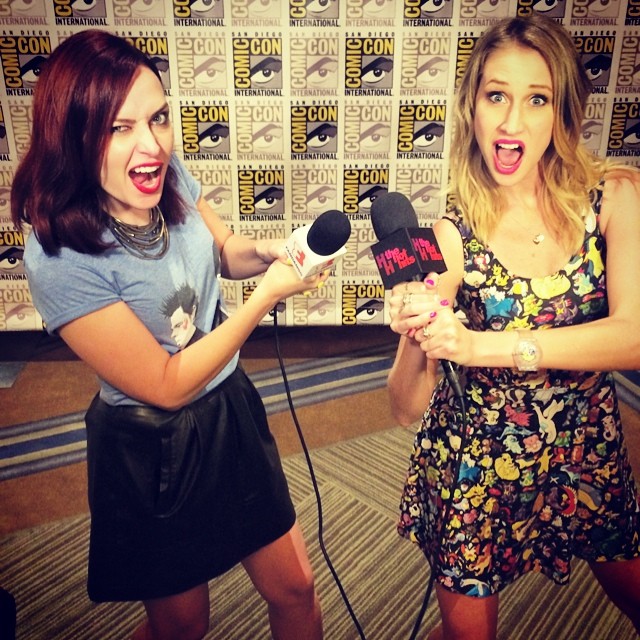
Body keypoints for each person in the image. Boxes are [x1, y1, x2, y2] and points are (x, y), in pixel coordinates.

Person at [10, 30, 325, 640]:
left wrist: (267, 252)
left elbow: (223, 251)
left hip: (229, 410)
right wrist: (265, 298)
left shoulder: (166, 172)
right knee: (183, 627)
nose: (151, 145)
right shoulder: (57, 256)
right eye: (119, 127)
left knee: (296, 589)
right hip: (150, 449)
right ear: (71, 135)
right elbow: (165, 385)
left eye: (158, 118)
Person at [386, 14, 640, 640]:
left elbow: (632, 337)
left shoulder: (611, 197)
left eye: (537, 99)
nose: (511, 122)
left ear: (562, 112)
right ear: (472, 107)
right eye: (496, 95)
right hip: (479, 465)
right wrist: (418, 336)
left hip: (586, 448)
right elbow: (406, 406)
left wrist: (483, 346)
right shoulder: (450, 236)